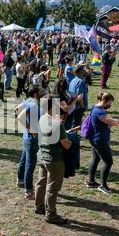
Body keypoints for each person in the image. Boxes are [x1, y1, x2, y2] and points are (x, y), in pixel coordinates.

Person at [35, 95, 72, 225]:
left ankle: (39, 207)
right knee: (52, 188)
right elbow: (66, 144)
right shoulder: (57, 124)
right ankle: (51, 215)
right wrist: (71, 139)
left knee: (41, 183)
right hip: (54, 159)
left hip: (42, 156)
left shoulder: (42, 119)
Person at [87, 92, 119, 194]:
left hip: (95, 138)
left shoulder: (96, 107)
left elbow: (108, 120)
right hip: (100, 140)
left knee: (95, 159)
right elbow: (110, 122)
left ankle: (91, 181)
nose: (110, 106)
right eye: (110, 103)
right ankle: (103, 185)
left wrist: (115, 120)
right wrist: (117, 122)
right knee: (108, 162)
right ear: (105, 101)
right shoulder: (99, 111)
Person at [16, 88, 42, 200]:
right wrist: (31, 129)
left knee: (24, 159)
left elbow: (17, 108)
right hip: (32, 138)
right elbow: (20, 116)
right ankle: (29, 191)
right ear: (36, 94)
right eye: (41, 92)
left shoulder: (29, 102)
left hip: (27, 137)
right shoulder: (33, 105)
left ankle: (20, 180)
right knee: (30, 165)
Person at [66, 65, 88, 130]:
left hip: (72, 104)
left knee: (71, 122)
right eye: (84, 70)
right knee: (76, 123)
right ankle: (73, 136)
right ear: (81, 72)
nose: (85, 71)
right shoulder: (81, 81)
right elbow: (80, 97)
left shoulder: (73, 80)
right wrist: (83, 106)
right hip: (78, 106)